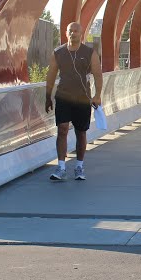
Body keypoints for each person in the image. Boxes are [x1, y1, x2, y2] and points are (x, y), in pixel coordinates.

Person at [45, 21, 102, 181]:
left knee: (80, 132)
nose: (73, 33)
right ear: (66, 33)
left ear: (81, 33)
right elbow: (51, 75)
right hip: (63, 96)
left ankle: (79, 166)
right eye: (70, 31)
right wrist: (47, 96)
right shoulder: (58, 52)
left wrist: (97, 95)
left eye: (76, 31)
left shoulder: (90, 52)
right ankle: (61, 167)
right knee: (62, 129)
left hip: (83, 98)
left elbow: (98, 74)